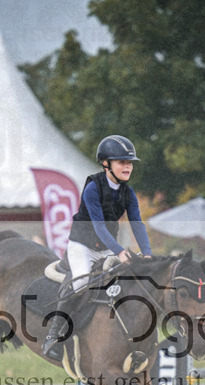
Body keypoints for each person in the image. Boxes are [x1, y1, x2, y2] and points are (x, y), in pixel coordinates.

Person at [42, 135, 153, 357]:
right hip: (82, 245)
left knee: (123, 282)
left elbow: (137, 224)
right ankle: (53, 337)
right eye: (122, 162)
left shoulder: (127, 192)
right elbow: (100, 227)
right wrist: (120, 251)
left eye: (129, 162)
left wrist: (148, 254)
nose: (128, 166)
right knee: (81, 282)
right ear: (106, 164)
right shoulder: (93, 188)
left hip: (105, 247)